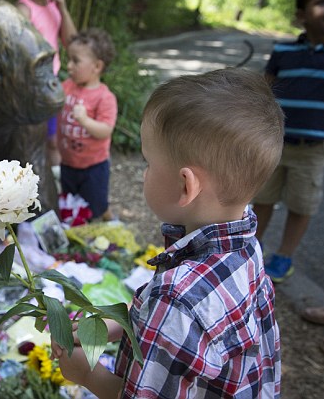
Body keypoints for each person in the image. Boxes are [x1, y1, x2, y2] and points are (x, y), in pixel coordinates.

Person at [51, 68, 284, 398]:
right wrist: (118, 327)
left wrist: (86, 374)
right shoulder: (245, 242)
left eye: (148, 162)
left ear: (185, 185)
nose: (143, 173)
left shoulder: (177, 296)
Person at [253, 0, 324, 283]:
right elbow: (265, 90)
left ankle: (283, 256)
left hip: (312, 150)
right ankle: (253, 246)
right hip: (275, 142)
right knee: (262, 197)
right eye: (323, 1)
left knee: (301, 203)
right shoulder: (284, 52)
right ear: (301, 14)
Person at [16, 0, 77, 170]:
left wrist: (62, 7)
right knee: (32, 141)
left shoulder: (53, 5)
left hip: (53, 81)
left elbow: (73, 44)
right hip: (33, 85)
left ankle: (56, 192)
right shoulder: (23, 9)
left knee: (53, 141)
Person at [57, 28, 117, 221]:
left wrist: (84, 120)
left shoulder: (104, 97)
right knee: (71, 203)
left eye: (76, 61)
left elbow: (106, 130)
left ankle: (108, 221)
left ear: (97, 66)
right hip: (68, 163)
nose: (69, 66)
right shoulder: (67, 86)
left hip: (93, 167)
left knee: (94, 206)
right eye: (69, 59)